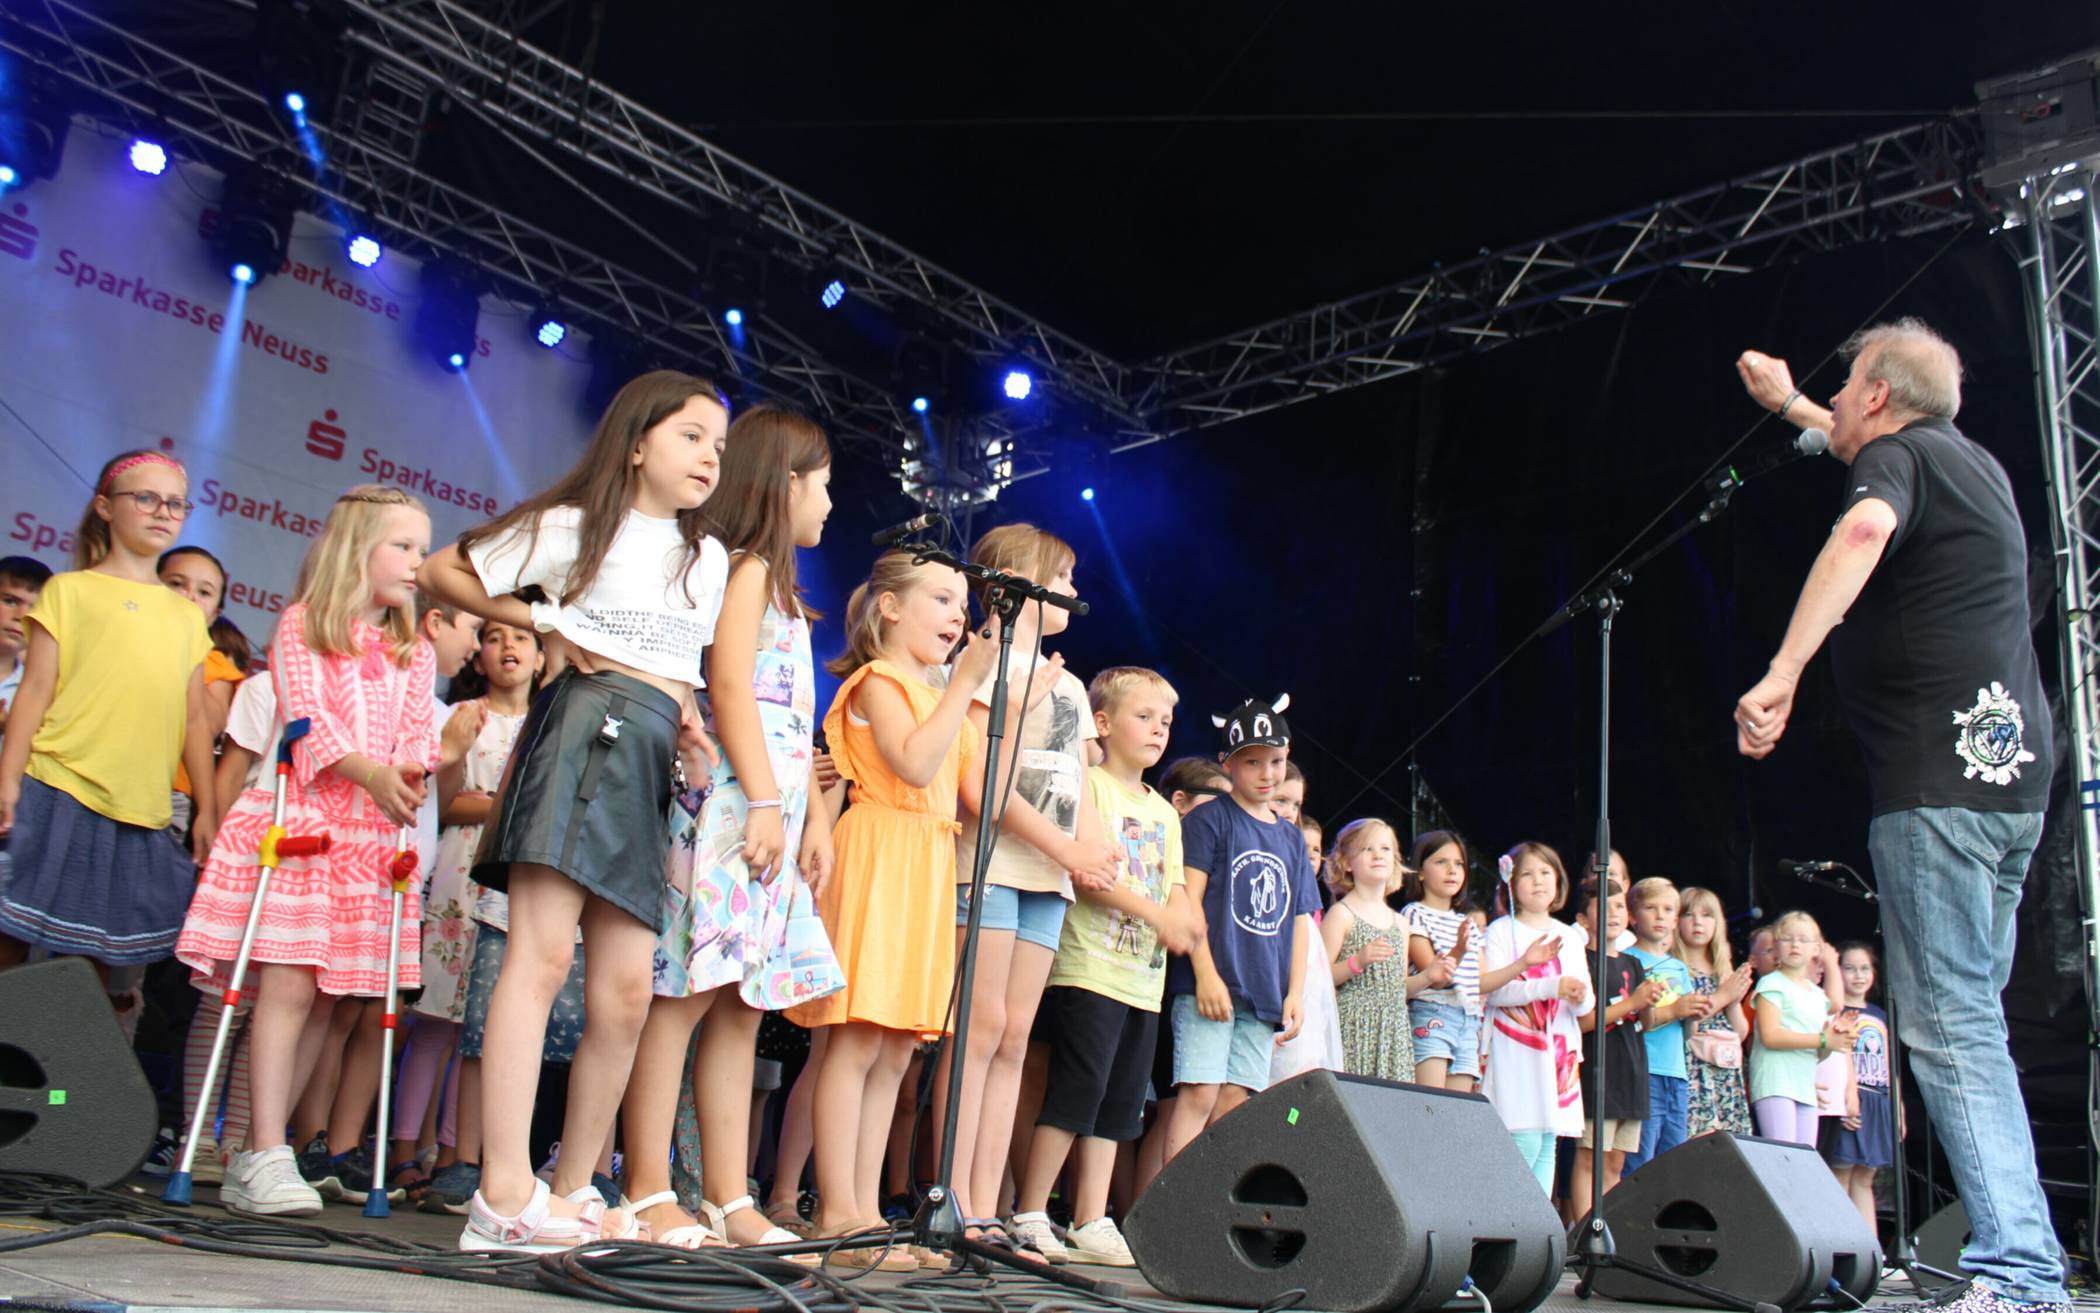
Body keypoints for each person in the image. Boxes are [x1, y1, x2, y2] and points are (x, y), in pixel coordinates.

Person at [1736, 320, 2067, 1313]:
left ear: (1878, 395)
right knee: (1972, 1025)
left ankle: (2020, 1269)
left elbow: (1864, 528)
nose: (1836, 401)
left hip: (1938, 791)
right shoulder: (1974, 466)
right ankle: (2026, 1254)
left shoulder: (1893, 461)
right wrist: (1793, 405)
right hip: (2010, 783)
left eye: (1844, 387)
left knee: (1953, 1028)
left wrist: (1784, 669)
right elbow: (1861, 442)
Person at [419, 370, 732, 1251]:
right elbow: (442, 568)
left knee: (626, 991)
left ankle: (571, 1189)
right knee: (543, 954)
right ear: (636, 443)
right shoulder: (575, 526)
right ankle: (502, 1191)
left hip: (651, 756)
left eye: (717, 443)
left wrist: (691, 730)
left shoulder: (708, 558)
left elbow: (675, 663)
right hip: (581, 733)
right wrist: (550, 626)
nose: (709, 455)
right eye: (690, 436)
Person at [173, 484, 438, 1215]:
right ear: (356, 548)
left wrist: (409, 770)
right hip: (306, 827)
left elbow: (418, 732)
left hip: (371, 836)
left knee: (327, 997)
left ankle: (258, 1150)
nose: (417, 562)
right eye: (403, 545)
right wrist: (372, 773)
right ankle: (263, 1146)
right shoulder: (303, 626)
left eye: (422, 548)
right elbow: (309, 722)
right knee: (287, 987)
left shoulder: (413, 650)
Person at [623, 404, 845, 1257]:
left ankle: (727, 1194)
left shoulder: (784, 590)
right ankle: (648, 1185)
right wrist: (760, 800)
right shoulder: (746, 568)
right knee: (682, 997)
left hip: (769, 818)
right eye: (823, 484)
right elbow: (728, 686)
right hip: (729, 812)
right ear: (786, 483)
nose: (830, 502)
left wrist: (809, 813)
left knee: (740, 1005)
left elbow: (793, 727)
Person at [781, 551, 997, 1271]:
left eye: (961, 602)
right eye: (941, 598)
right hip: (879, 850)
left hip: (927, 860)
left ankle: (868, 1212)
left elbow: (970, 786)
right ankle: (836, 1210)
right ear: (891, 607)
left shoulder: (939, 689)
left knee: (897, 1046)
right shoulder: (878, 680)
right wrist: (963, 684)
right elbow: (913, 763)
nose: (958, 614)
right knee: (857, 1039)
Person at [937, 523, 1118, 1247]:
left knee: (1014, 1037)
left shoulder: (1068, 680)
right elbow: (981, 785)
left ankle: (987, 1206)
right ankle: (950, 1198)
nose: (1074, 590)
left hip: (1049, 878)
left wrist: (1092, 849)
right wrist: (1067, 848)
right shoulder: (984, 660)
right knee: (978, 1030)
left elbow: (1078, 782)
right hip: (990, 864)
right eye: (1063, 576)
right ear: (1019, 578)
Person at [1010, 666, 1199, 1267]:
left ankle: (1090, 1218)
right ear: (1103, 722)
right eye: (1143, 716)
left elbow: (1174, 885)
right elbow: (1089, 875)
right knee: (1075, 1093)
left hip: (1143, 981)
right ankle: (1031, 1209)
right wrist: (1159, 915)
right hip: (1090, 969)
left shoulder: (1165, 812)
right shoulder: (1088, 786)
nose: (1158, 729)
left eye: (1165, 720)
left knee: (1119, 1106)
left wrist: (1182, 919)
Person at [0, 452, 218, 973]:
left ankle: (60, 1034)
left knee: (92, 964)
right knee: (9, 938)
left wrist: (208, 809)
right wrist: (7, 780)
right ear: (105, 506)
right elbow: (35, 691)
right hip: (57, 784)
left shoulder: (187, 617)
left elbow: (193, 719)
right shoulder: (70, 590)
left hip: (139, 807)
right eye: (146, 498)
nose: (163, 511)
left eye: (176, 504)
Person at [390, 619, 539, 1196]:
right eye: (495, 637)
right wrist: (500, 804)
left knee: (483, 1029)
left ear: (541, 656)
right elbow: (441, 804)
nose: (508, 647)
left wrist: (494, 803)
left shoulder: (544, 724)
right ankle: (403, 1150)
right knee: (435, 1022)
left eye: (521, 638)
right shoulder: (462, 717)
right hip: (457, 878)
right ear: (479, 657)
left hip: (510, 884)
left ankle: (457, 1156)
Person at [1160, 696, 1317, 1161]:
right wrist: (1206, 976)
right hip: (1210, 983)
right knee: (1199, 1094)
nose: (1267, 774)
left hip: (1264, 992)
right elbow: (1189, 901)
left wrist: (1295, 992)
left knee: (1234, 1103)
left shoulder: (1291, 837)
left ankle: (1208, 1198)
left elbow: (1300, 920)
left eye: (1276, 762)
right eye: (1253, 762)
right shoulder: (1209, 819)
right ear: (1227, 763)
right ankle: (1176, 1202)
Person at [1481, 842, 1592, 1193]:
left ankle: (1536, 1218)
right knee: (1523, 1137)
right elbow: (1496, 992)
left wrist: (1578, 996)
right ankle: (1511, 1211)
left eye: (1545, 872)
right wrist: (1550, 986)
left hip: (1557, 1051)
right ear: (1511, 884)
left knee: (1547, 1143)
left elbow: (1585, 1004)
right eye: (1527, 874)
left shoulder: (1569, 936)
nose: (1538, 881)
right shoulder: (1501, 931)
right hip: (1516, 1049)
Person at [1571, 873, 1660, 1206]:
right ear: (1583, 919)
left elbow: (1646, 1023)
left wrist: (1648, 1003)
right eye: (1604, 907)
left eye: (1620, 906)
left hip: (1631, 1073)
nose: (1615, 914)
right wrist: (1632, 1002)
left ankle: (1604, 1226)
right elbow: (1581, 1022)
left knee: (1615, 1163)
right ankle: (1584, 1229)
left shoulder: (1633, 963)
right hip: (1598, 1073)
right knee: (1589, 1158)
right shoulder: (1581, 960)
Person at [1324, 818, 1433, 1080]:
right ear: (1347, 862)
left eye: (1385, 849)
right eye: (1367, 849)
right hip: (1354, 1029)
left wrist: (1429, 976)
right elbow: (1319, 977)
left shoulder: (1400, 923)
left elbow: (1398, 987)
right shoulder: (1342, 914)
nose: (1377, 855)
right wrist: (1357, 962)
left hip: (1392, 1032)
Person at [1620, 878, 1711, 1173]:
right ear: (1633, 917)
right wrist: (1675, 1010)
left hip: (1676, 1074)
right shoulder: (1628, 960)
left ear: (1675, 920)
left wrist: (1693, 1015)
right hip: (1645, 1070)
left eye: (1668, 909)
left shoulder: (1678, 967)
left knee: (1672, 1160)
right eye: (1651, 908)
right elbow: (1632, 1020)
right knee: (1640, 1158)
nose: (1660, 916)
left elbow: (1687, 1033)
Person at [1746, 911, 1857, 1147]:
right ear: (1776, 946)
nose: (1795, 944)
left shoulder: (1817, 995)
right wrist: (1823, 1040)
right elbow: (1770, 1036)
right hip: (1775, 1082)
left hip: (1804, 1085)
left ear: (1816, 948)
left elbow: (1818, 1053)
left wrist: (1835, 1040)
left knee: (1805, 1158)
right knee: (1783, 1155)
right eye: (1787, 939)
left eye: (1803, 940)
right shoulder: (1771, 983)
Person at [1401, 829, 1497, 1090]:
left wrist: (1525, 963)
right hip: (1432, 1013)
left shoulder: (1465, 922)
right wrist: (1459, 950)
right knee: (1429, 1105)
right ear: (1420, 872)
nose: (1452, 870)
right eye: (1441, 862)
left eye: (1459, 864)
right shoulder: (1414, 914)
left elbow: (1481, 981)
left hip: (1468, 1018)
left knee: (1457, 1108)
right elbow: (1435, 977)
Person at [1672, 886, 1753, 1136]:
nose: (1698, 922)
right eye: (1688, 914)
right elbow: (1684, 1022)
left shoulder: (1722, 971)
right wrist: (1723, 996)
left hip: (1725, 1066)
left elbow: (1740, 1032)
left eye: (1707, 915)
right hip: (1694, 1065)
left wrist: (1733, 1001)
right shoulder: (1675, 969)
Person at [1826, 942, 1893, 1233]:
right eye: (1850, 968)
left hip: (1878, 1099)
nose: (1858, 975)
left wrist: (1897, 1106)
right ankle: (1841, 1244)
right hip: (1850, 1099)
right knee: (1840, 1174)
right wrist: (1841, 1102)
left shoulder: (1880, 1014)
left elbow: (1890, 1064)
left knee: (1865, 1177)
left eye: (1865, 968)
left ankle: (1871, 1251)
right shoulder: (1835, 1010)